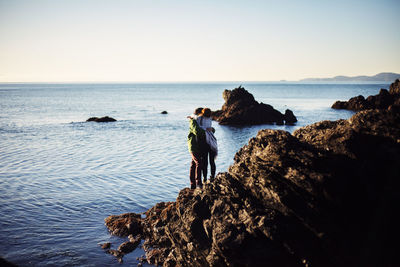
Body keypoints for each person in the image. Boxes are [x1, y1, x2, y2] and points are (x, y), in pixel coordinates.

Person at [187, 108, 206, 189]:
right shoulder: (193, 121)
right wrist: (207, 131)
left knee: (194, 164)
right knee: (199, 162)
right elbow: (197, 131)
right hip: (193, 146)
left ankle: (193, 184)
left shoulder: (199, 121)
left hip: (198, 146)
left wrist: (211, 129)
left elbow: (209, 128)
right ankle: (198, 183)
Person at [197, 108, 218, 183]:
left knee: (209, 161)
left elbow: (210, 128)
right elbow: (198, 128)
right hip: (205, 141)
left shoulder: (209, 118)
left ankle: (210, 177)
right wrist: (207, 129)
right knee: (206, 161)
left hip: (209, 140)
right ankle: (206, 178)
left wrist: (211, 129)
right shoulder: (200, 118)